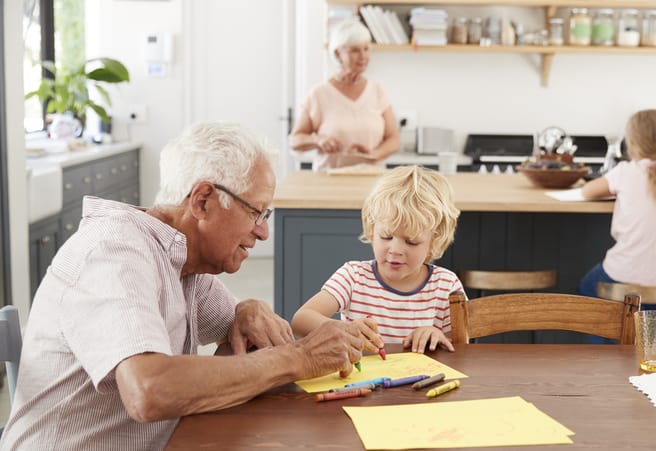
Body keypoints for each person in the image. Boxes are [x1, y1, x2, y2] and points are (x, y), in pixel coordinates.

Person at [0, 122, 364, 450]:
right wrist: (298, 358)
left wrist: (248, 309)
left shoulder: (186, 263)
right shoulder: (113, 252)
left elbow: (248, 347)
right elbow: (150, 391)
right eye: (256, 212)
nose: (263, 231)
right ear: (202, 201)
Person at [292, 165, 463, 354]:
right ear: (372, 231)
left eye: (411, 242)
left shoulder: (446, 285)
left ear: (434, 241)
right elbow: (301, 320)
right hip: (360, 381)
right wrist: (344, 330)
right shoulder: (353, 277)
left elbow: (462, 347)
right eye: (386, 237)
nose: (396, 250)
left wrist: (437, 335)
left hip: (423, 381)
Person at [577, 109, 656, 341]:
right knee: (645, 306)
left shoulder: (625, 171)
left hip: (624, 273)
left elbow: (587, 191)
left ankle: (600, 360)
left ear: (632, 143)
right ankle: (646, 350)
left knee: (587, 289)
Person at [290, 19, 400, 172]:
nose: (363, 56)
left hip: (372, 180)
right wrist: (318, 140)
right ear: (337, 53)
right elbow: (295, 140)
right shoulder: (319, 94)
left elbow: (394, 139)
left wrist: (372, 155)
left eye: (366, 49)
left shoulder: (377, 91)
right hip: (329, 180)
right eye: (355, 50)